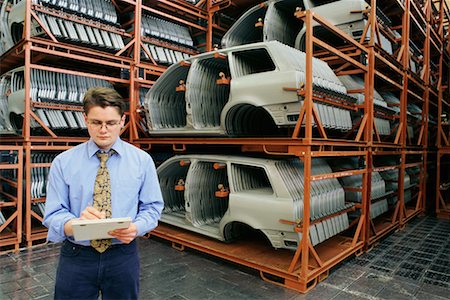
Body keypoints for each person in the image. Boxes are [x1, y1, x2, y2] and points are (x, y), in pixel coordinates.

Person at [43, 87, 164, 300]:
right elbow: (53, 213)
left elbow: (152, 208)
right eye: (96, 123)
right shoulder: (63, 163)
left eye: (111, 123)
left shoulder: (142, 161)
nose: (104, 130)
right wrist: (76, 223)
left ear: (122, 121)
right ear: (85, 120)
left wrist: (136, 227)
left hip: (122, 255)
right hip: (77, 256)